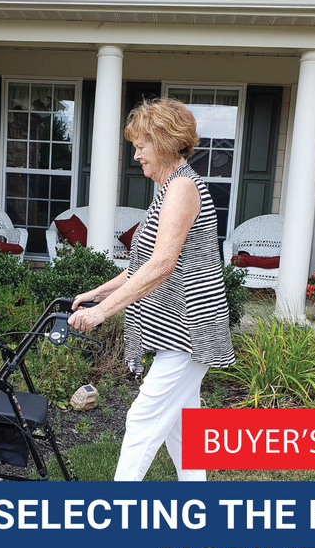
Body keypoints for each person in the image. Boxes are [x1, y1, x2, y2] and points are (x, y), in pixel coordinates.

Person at [68, 96, 235, 481]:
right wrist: (98, 294)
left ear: (162, 141)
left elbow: (162, 265)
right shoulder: (170, 188)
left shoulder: (182, 189)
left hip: (189, 330)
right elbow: (141, 268)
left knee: (143, 420)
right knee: (182, 428)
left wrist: (102, 312)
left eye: (140, 146)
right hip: (181, 330)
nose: (137, 155)